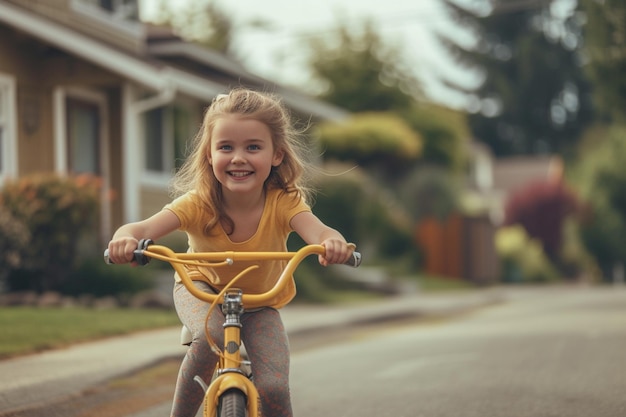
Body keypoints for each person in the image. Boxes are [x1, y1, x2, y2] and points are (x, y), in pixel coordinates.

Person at [106, 88, 355, 417]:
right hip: (201, 290)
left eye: (253, 147)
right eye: (226, 147)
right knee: (212, 336)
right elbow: (140, 230)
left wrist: (332, 243)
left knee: (274, 387)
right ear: (209, 154)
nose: (239, 157)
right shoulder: (198, 202)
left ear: (276, 154)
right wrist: (124, 239)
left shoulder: (284, 202)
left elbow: (319, 232)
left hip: (260, 301)